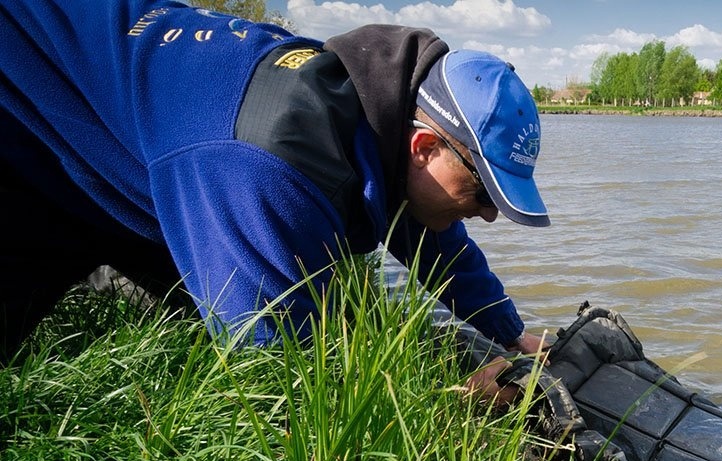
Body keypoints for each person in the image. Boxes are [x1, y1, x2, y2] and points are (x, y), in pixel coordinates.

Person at [0, 0, 549, 380]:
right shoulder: (267, 167)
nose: (487, 216)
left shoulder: (378, 119)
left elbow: (432, 234)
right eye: (482, 192)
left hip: (110, 141)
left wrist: (508, 333)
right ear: (424, 146)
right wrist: (450, 400)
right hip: (22, 99)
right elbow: (276, 370)